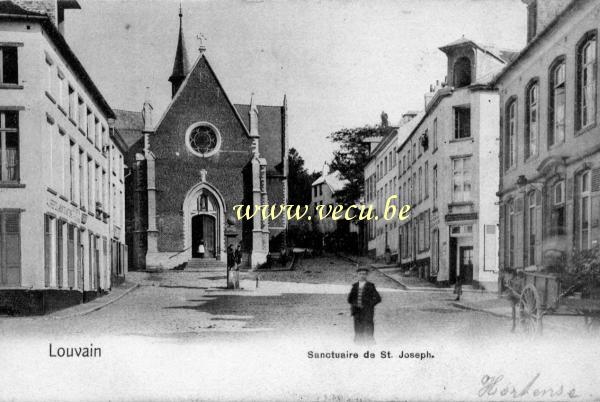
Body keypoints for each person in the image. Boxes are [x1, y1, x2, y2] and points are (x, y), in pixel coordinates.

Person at [347, 267, 381, 344]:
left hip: (367, 311)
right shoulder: (355, 286)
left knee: (368, 325)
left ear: (367, 275)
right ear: (357, 275)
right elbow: (350, 299)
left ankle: (370, 341)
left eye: (364, 274)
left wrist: (369, 305)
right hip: (357, 310)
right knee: (358, 326)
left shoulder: (370, 285)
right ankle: (358, 342)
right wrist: (355, 304)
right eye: (360, 274)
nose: (362, 275)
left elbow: (378, 298)